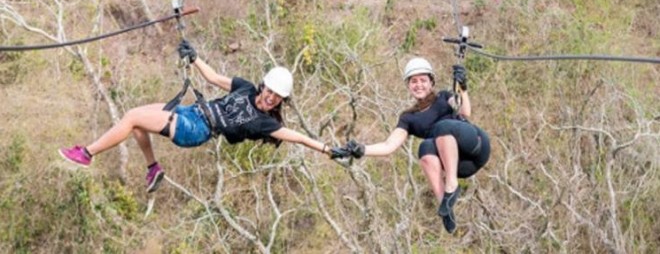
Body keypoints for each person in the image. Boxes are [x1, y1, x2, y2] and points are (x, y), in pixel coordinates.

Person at [59, 40, 334, 192]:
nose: (270, 97)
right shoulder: (245, 88)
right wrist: (194, 57)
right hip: (191, 111)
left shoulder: (266, 124)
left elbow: (297, 137)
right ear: (263, 85)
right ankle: (153, 168)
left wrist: (329, 149)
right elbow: (213, 77)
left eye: (277, 97)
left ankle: (86, 153)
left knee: (132, 117)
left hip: (198, 129)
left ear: (281, 101)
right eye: (270, 91)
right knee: (137, 121)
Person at [330, 57, 490, 234]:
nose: (418, 85)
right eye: (414, 81)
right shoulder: (408, 117)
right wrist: (361, 149)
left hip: (475, 146)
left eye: (423, 80)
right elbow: (389, 145)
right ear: (408, 85)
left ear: (431, 82)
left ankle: (451, 185)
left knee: (441, 127)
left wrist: (463, 88)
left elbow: (464, 111)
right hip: (461, 165)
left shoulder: (444, 97)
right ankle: (445, 205)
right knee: (425, 147)